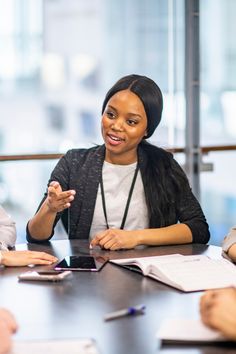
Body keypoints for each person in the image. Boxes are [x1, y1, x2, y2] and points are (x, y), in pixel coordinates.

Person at [26, 74, 210, 250]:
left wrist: (136, 237)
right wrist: (49, 209)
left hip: (148, 274)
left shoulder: (163, 165)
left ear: (147, 129)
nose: (116, 126)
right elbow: (35, 235)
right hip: (89, 275)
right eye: (111, 114)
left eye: (131, 122)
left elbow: (198, 228)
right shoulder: (74, 163)